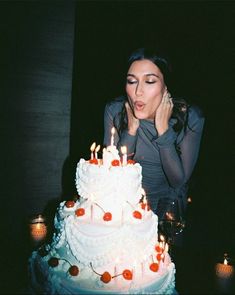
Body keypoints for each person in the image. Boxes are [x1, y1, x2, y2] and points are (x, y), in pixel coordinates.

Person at [103, 47, 205, 226]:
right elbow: (112, 173)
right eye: (131, 81)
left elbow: (177, 181)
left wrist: (164, 131)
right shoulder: (115, 110)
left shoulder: (191, 117)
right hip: (122, 212)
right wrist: (131, 130)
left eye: (149, 81)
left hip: (167, 214)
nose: (138, 91)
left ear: (166, 86)